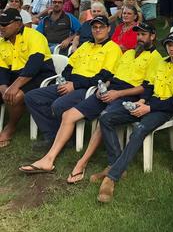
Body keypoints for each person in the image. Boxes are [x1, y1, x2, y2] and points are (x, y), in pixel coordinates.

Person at [43, 22, 162, 184]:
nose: (139, 38)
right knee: (68, 114)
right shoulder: (128, 54)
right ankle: (49, 158)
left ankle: (82, 162)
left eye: (143, 35)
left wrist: (117, 93)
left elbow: (146, 88)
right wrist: (103, 87)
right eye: (138, 35)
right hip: (110, 90)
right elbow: (113, 77)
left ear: (152, 36)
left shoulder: (156, 58)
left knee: (105, 117)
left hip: (127, 95)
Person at [95, 31, 173, 202]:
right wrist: (141, 101)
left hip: (163, 110)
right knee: (106, 118)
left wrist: (148, 108)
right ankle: (116, 163)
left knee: (139, 130)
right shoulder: (162, 63)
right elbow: (148, 86)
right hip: (148, 104)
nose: (171, 49)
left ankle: (111, 178)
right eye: (169, 45)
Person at [22, 16, 121, 156]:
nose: (97, 30)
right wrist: (67, 82)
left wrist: (74, 85)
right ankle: (54, 136)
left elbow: (103, 77)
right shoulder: (85, 45)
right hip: (70, 84)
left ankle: (59, 139)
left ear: (108, 29)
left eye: (101, 27)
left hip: (88, 89)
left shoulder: (113, 49)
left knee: (58, 105)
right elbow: (69, 66)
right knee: (31, 97)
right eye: (94, 27)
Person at [0, 9, 57, 148]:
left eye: (5, 24)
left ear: (18, 23)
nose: (1, 27)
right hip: (16, 75)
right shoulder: (2, 42)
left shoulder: (34, 36)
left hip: (39, 75)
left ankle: (10, 127)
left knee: (16, 96)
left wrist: (13, 87)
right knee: (7, 93)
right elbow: (2, 69)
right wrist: (3, 87)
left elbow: (34, 65)